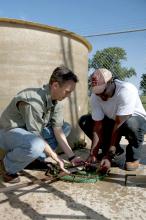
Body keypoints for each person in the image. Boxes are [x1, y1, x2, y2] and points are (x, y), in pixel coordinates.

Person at [0, 66, 83, 183]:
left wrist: (72, 157)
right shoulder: (34, 101)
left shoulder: (56, 102)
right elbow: (36, 136)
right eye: (67, 91)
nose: (68, 95)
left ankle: (34, 159)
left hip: (29, 133)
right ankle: (6, 166)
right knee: (37, 145)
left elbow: (58, 130)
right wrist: (57, 158)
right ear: (55, 85)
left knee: (65, 127)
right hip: (8, 133)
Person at [79, 68, 146, 172]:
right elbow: (97, 127)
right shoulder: (95, 96)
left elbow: (119, 125)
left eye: (103, 92)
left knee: (131, 124)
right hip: (113, 121)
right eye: (98, 93)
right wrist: (93, 154)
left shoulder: (126, 90)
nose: (101, 96)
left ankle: (133, 156)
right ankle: (115, 151)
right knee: (85, 121)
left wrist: (109, 156)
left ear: (111, 82)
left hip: (133, 120)